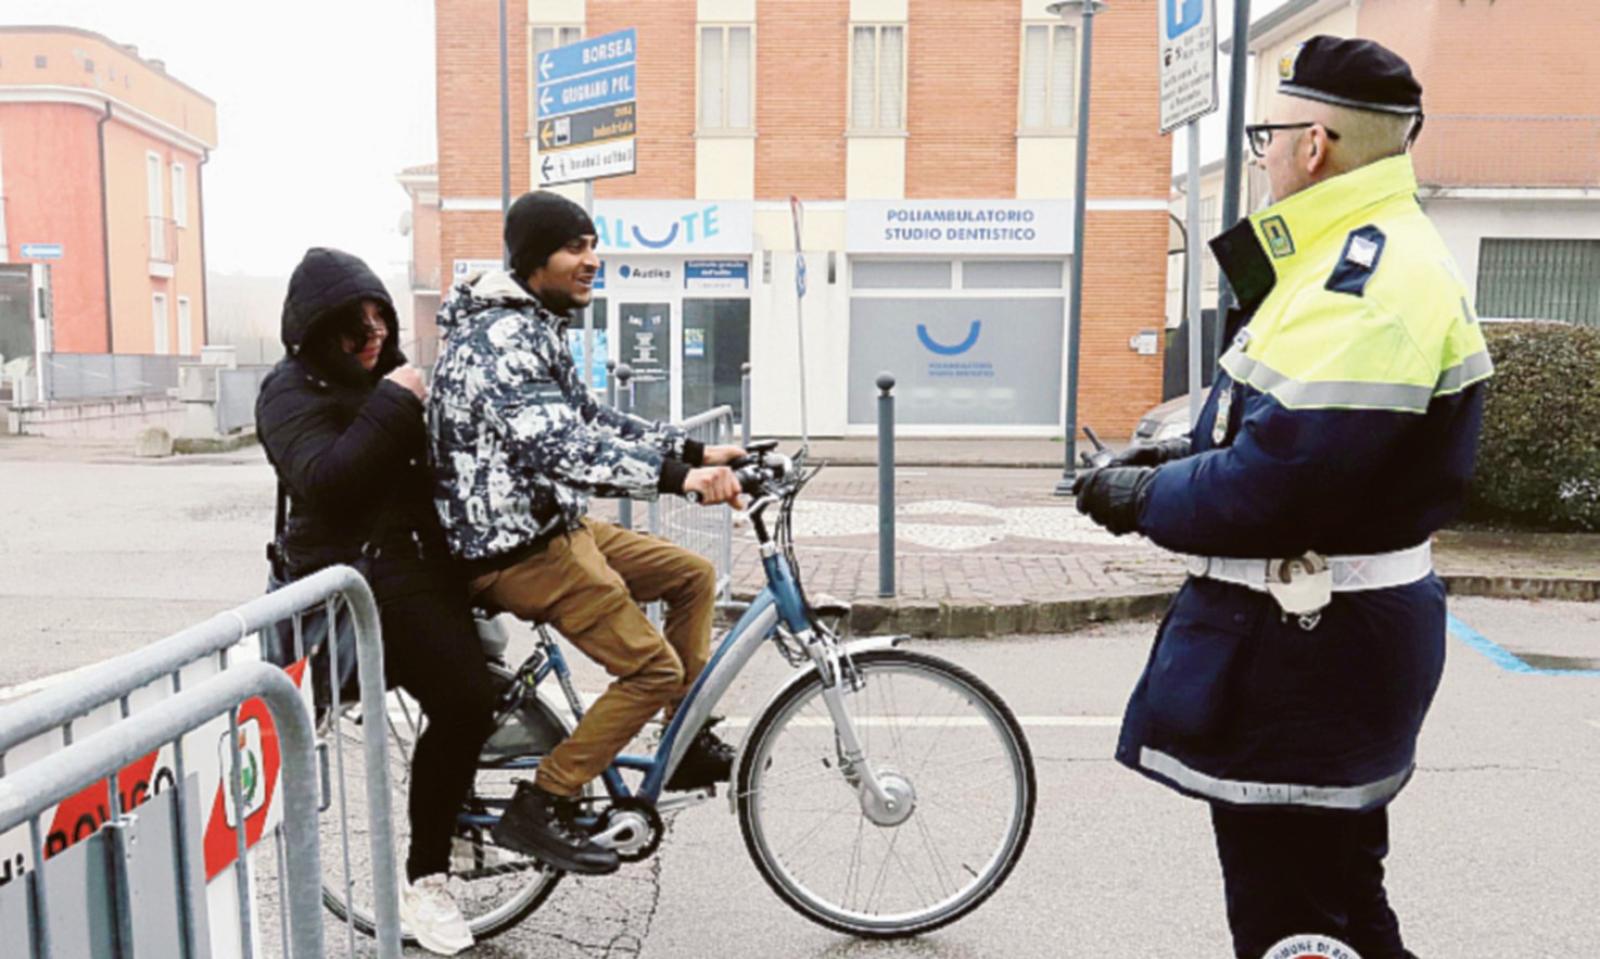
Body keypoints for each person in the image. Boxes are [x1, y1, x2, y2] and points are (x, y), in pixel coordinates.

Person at [1073, 36, 1491, 958]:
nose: (1259, 151)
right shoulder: (1356, 256)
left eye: (1269, 132)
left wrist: (1141, 494)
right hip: (1326, 640)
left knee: (1297, 927)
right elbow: (1280, 435)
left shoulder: (1364, 283)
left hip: (1311, 652)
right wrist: (1173, 452)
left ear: (1315, 146)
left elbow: (1275, 487)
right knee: (1341, 901)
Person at [427, 191, 746, 877]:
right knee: (652, 666)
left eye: (592, 245)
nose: (591, 260)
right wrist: (676, 479)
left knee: (691, 575)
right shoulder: (500, 342)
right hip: (513, 549)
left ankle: (683, 740)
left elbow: (586, 416)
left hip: (551, 526)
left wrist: (694, 454)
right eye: (575, 247)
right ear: (533, 257)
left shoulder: (532, 324)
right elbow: (564, 448)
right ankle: (546, 797)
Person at [256, 248, 495, 956]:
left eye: (379, 322)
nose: (373, 339)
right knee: (463, 698)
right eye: (354, 329)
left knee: (479, 697)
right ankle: (427, 880)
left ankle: (454, 810)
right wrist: (395, 401)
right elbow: (327, 480)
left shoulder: (379, 377)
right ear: (315, 332)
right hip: (349, 584)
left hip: (412, 571)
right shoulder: (287, 390)